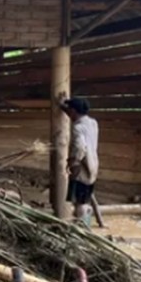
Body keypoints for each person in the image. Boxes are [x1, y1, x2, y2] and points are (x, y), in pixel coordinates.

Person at [63, 97, 99, 227]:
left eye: (69, 111)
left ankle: (82, 230)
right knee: (86, 200)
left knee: (80, 203)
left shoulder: (77, 127)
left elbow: (80, 147)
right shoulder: (93, 123)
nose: (69, 113)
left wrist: (73, 162)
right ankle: (87, 225)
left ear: (73, 111)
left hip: (81, 170)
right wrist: (63, 108)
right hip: (93, 166)